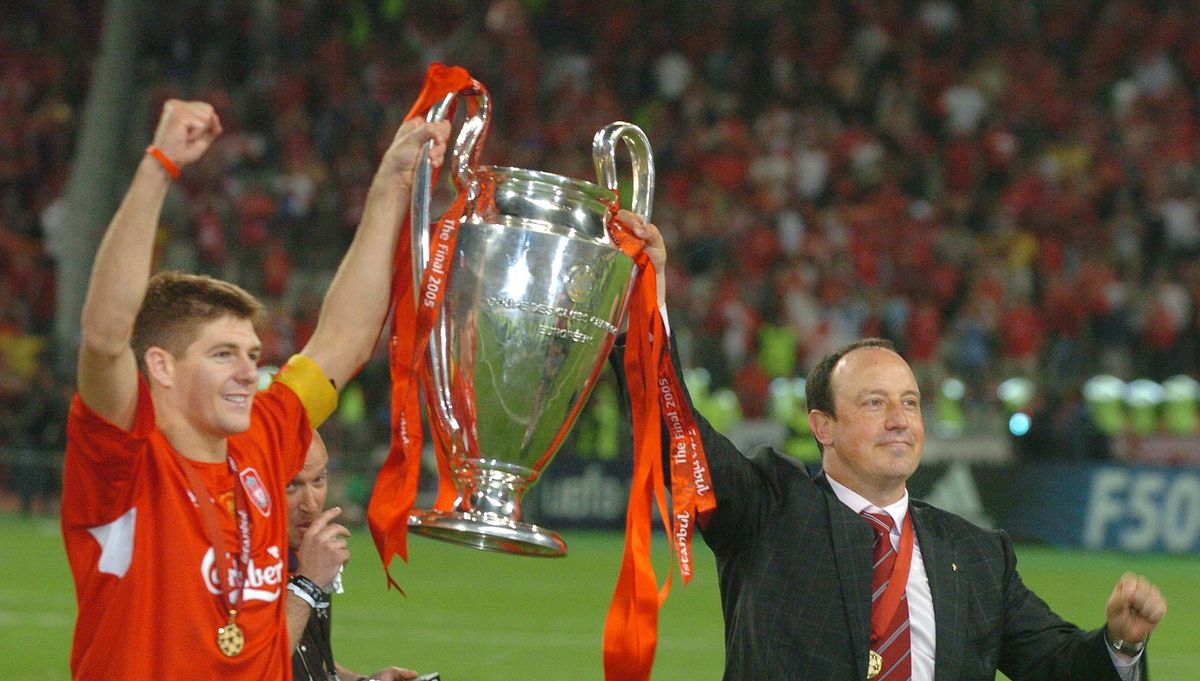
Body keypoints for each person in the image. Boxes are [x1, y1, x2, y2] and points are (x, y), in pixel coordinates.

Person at [617, 213, 1167, 681]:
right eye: (874, 403)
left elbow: (1058, 665)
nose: (900, 420)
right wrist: (648, 293)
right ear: (822, 426)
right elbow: (674, 433)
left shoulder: (977, 555)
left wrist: (1120, 645)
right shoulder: (769, 511)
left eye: (910, 402)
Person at [60, 98, 449, 679]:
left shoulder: (262, 441)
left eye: (251, 354)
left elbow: (343, 339)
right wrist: (159, 165)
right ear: (162, 367)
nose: (249, 372)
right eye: (223, 355)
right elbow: (105, 337)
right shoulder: (123, 461)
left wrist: (391, 184)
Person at [287, 430, 421, 681]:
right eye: (291, 485)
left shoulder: (310, 557)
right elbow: (252, 667)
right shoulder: (236, 565)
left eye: (318, 481)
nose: (311, 504)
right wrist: (307, 586)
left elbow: (308, 659)